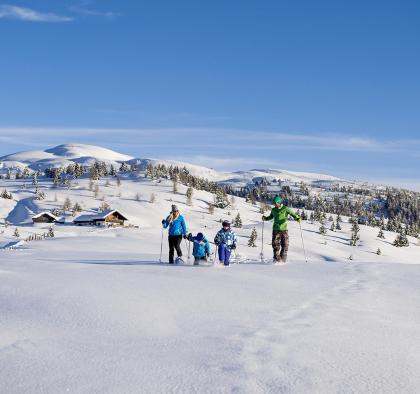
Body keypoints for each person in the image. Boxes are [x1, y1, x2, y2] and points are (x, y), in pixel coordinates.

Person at [262, 196, 301, 263]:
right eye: (274, 203)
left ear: (279, 202)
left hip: (284, 229)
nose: (275, 204)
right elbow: (271, 216)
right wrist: (265, 218)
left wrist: (297, 218)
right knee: (275, 245)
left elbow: (293, 214)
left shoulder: (285, 209)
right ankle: (276, 260)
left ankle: (283, 260)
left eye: (276, 203)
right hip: (276, 229)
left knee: (285, 245)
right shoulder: (274, 210)